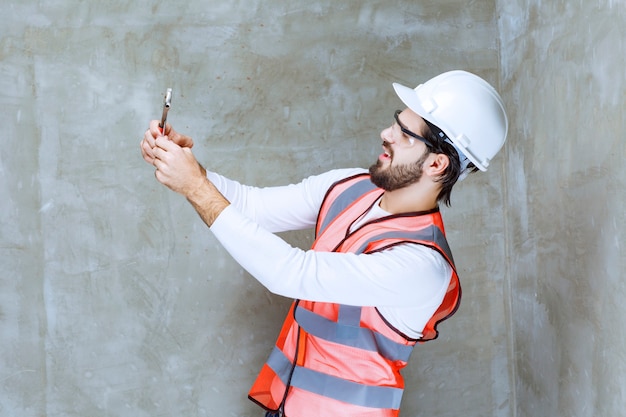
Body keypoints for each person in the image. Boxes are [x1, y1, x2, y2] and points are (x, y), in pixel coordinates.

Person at [140, 70, 508, 417]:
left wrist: (194, 186)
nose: (386, 133)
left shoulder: (422, 265)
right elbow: (253, 207)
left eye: (406, 134)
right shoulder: (350, 185)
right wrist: (188, 168)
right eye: (396, 121)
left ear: (437, 165)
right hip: (287, 404)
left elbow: (289, 273)